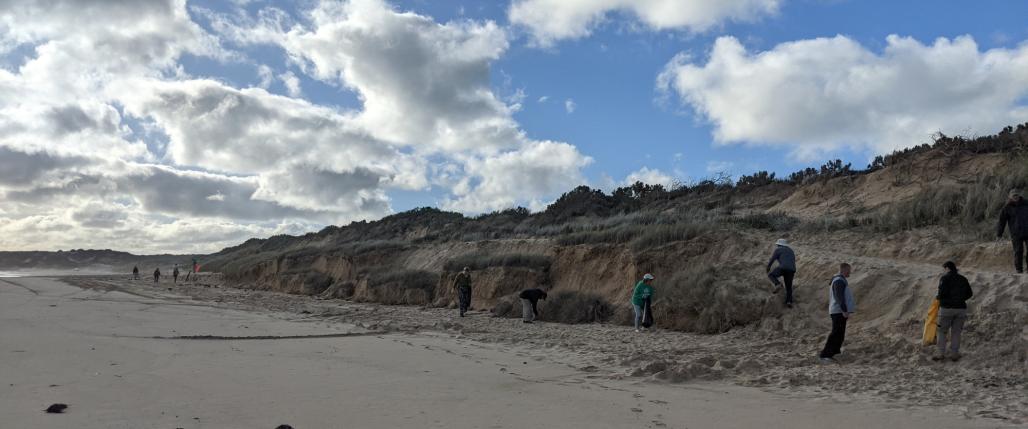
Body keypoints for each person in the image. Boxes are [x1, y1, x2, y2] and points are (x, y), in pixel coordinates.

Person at [934, 261, 973, 362]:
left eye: (944, 269)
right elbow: (970, 293)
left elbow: (941, 294)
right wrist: (960, 299)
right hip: (961, 309)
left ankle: (940, 353)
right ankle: (954, 354)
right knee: (956, 332)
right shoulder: (963, 279)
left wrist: (939, 297)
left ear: (947, 268)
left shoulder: (944, 278)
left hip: (946, 308)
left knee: (942, 331)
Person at [819, 263, 855, 362]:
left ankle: (835, 352)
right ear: (843, 270)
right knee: (836, 333)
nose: (850, 272)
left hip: (839, 311)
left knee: (840, 333)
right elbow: (839, 297)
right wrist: (844, 310)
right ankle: (825, 355)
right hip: (838, 311)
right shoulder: (839, 281)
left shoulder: (840, 280)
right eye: (848, 270)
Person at [996, 189, 1028, 273]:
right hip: (1016, 234)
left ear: (1019, 195)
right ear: (1010, 197)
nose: (1015, 197)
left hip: (1027, 231)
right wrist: (999, 234)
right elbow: (1002, 222)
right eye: (1014, 196)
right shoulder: (1006, 208)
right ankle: (1019, 270)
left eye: (1017, 195)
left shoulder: (1026, 203)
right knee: (1018, 251)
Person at [766, 239, 797, 308]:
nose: (777, 246)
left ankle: (778, 284)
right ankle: (789, 301)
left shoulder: (778, 250)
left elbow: (772, 259)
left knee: (771, 275)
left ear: (779, 245)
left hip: (783, 267)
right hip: (792, 270)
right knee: (788, 287)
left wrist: (768, 267)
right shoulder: (791, 250)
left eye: (777, 245)